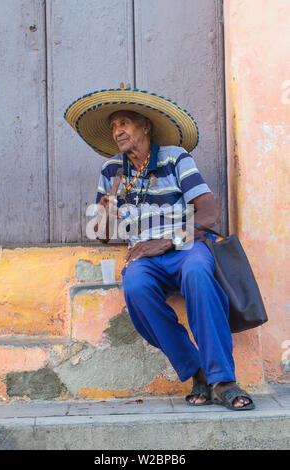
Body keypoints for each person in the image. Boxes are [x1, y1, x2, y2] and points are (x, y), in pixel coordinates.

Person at [65, 86, 255, 410]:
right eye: (113, 126)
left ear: (145, 126)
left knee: (198, 272)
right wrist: (106, 212)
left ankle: (223, 380)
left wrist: (167, 241)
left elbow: (210, 211)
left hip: (184, 247)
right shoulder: (111, 170)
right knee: (136, 286)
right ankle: (196, 371)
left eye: (124, 123)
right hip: (142, 255)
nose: (117, 131)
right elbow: (102, 234)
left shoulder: (175, 157)